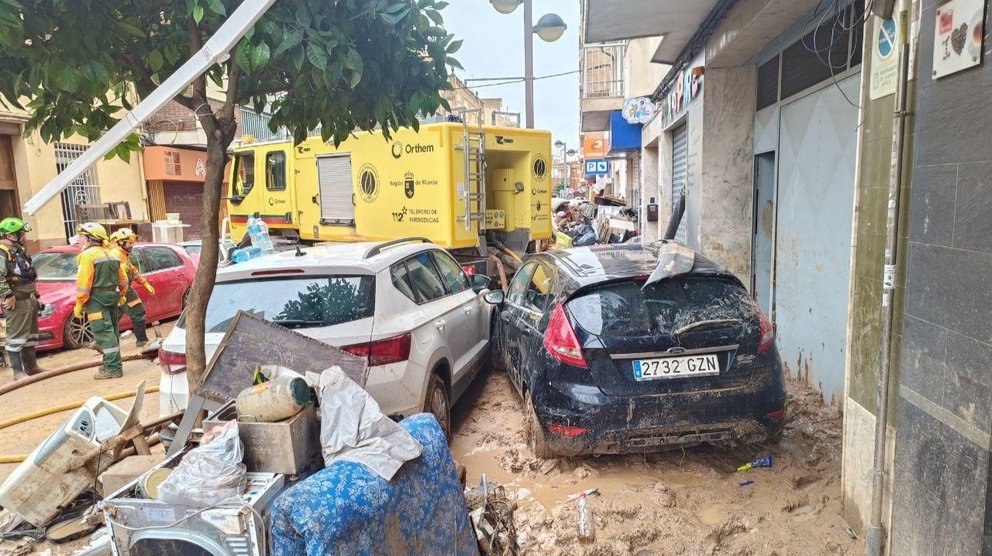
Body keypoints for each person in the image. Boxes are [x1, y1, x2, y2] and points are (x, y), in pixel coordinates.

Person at [74, 222, 128, 380]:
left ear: (90, 239)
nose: (79, 240)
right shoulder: (112, 253)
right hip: (112, 296)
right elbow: (123, 279)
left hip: (97, 299)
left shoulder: (87, 255)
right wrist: (122, 293)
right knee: (111, 331)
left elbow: (84, 284)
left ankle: (113, 368)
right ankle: (109, 364)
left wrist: (79, 303)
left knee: (104, 332)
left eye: (82, 237)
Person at [0, 217, 42, 379]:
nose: (23, 236)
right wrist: (7, 295)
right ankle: (18, 372)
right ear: (10, 235)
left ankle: (32, 367)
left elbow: (30, 275)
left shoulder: (19, 251)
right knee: (16, 336)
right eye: (21, 233)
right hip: (16, 299)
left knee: (30, 335)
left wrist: (36, 296)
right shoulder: (2, 252)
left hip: (28, 297)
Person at [108, 228, 156, 350]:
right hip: (122, 289)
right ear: (120, 242)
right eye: (129, 243)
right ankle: (142, 340)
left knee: (113, 317)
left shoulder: (123, 254)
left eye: (132, 243)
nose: (132, 245)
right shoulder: (116, 254)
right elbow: (117, 273)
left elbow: (132, 270)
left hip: (118, 291)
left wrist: (144, 283)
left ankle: (105, 343)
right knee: (138, 312)